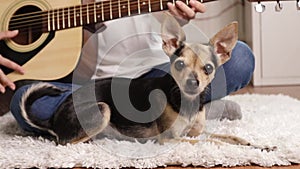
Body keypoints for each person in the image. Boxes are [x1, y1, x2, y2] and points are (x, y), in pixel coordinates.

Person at [1, 0, 254, 136]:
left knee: (240, 58)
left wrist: (177, 17)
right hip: (82, 83)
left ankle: (177, 112)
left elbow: (173, 32)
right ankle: (189, 111)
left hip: (157, 77)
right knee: (23, 98)